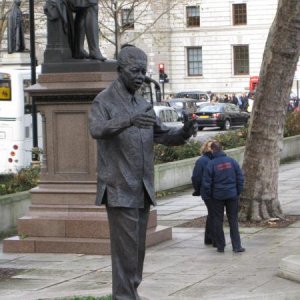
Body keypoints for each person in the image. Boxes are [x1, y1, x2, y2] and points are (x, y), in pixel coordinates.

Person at [89, 44, 197, 300]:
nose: (140, 77)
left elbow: (160, 134)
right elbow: (97, 129)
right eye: (135, 71)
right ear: (120, 70)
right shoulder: (103, 100)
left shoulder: (141, 102)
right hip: (118, 187)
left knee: (136, 251)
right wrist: (128, 121)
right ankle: (124, 296)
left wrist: (183, 132)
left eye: (143, 71)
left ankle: (130, 293)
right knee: (125, 252)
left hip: (141, 187)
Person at [202, 141, 245, 253]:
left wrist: (208, 196)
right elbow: (240, 178)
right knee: (233, 220)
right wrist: (237, 192)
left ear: (212, 150)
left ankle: (221, 246)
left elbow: (206, 183)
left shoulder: (211, 164)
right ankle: (237, 246)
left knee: (217, 220)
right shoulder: (232, 162)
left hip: (217, 197)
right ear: (222, 148)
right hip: (232, 195)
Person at [191, 140, 215, 246]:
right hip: (211, 191)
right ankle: (211, 238)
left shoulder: (202, 160)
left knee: (212, 214)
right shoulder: (205, 160)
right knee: (214, 214)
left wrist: (198, 189)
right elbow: (196, 177)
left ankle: (209, 238)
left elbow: (196, 177)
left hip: (208, 191)